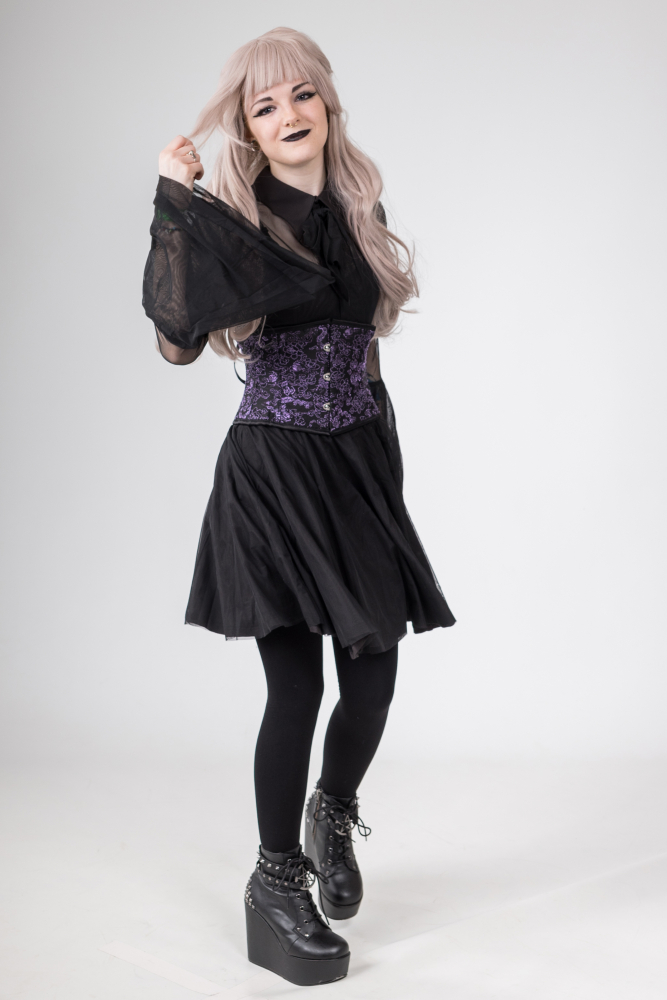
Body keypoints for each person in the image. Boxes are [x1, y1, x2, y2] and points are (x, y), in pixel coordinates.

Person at [143, 26, 455, 987]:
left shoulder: (361, 208)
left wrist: (383, 483)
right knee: (296, 689)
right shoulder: (232, 221)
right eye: (264, 104)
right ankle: (275, 883)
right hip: (271, 474)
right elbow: (174, 344)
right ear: (248, 126)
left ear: (326, 103)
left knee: (373, 680)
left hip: (357, 467)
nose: (287, 114)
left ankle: (333, 809)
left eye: (300, 95)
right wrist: (171, 202)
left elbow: (367, 355)